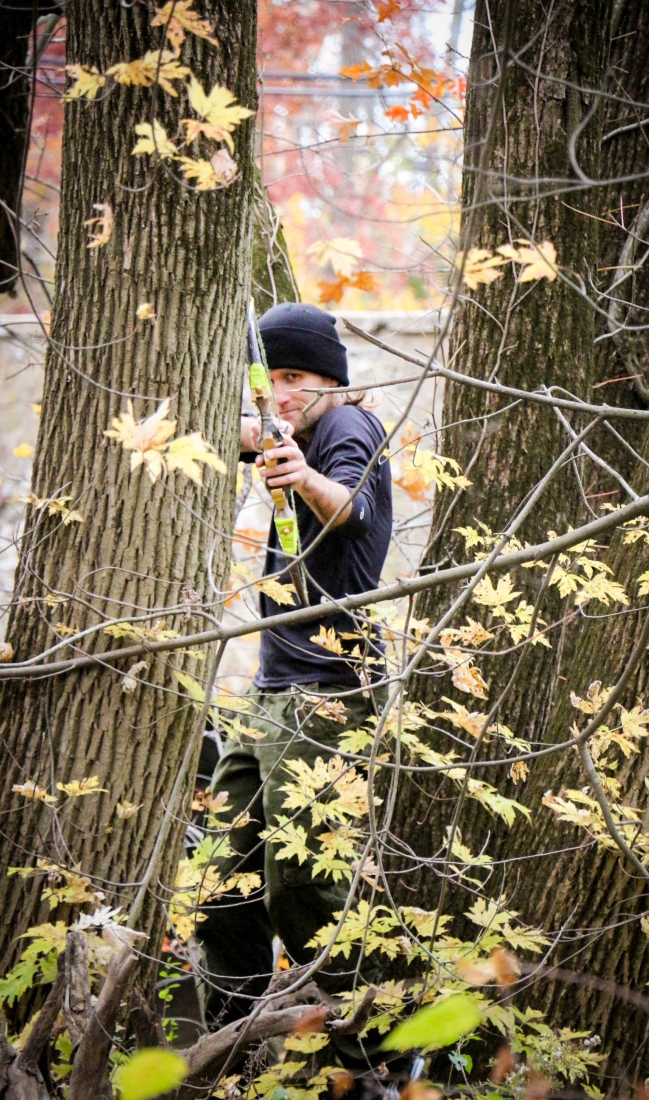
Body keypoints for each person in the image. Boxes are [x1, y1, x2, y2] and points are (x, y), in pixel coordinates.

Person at [196, 302, 393, 1049]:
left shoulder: (347, 429)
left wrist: (302, 475)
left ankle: (377, 1053)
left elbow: (350, 505)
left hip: (328, 694)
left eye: (296, 376)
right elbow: (249, 436)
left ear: (331, 382)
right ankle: (232, 1044)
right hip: (274, 695)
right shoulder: (299, 428)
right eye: (269, 377)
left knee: (302, 887)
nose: (280, 393)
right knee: (224, 884)